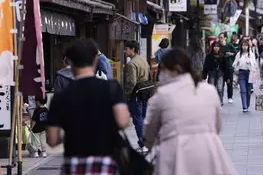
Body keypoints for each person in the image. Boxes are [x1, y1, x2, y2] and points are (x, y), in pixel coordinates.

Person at [144, 48, 238, 175]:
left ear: (173, 69)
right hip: (209, 149)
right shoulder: (209, 90)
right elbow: (217, 125)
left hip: (174, 151)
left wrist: (151, 146)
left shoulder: (161, 95)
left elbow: (150, 130)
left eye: (163, 70)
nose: (161, 74)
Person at [46, 39, 130, 174]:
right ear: (95, 59)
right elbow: (123, 121)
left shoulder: (60, 97)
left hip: (73, 164)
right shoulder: (111, 88)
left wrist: (72, 133)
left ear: (69, 61)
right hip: (105, 162)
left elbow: (52, 139)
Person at [123, 40, 152, 151]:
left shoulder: (131, 64)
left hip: (136, 94)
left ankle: (143, 143)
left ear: (132, 49)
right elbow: (149, 76)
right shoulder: (143, 60)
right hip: (145, 92)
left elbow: (131, 82)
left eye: (126, 49)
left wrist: (127, 94)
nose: (125, 51)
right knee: (143, 118)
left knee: (137, 119)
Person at [232, 39, 258, 112]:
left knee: (248, 91)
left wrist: (249, 62)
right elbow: (234, 63)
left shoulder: (251, 54)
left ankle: (247, 103)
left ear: (248, 46)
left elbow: (254, 64)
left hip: (249, 73)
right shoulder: (239, 54)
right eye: (243, 45)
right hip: (241, 73)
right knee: (243, 90)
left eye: (246, 45)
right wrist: (235, 65)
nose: (244, 47)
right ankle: (244, 106)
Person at [220, 33, 236, 104]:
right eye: (219, 37)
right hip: (221, 68)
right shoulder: (218, 46)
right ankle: (221, 98)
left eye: (222, 37)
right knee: (221, 84)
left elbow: (236, 53)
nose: (220, 39)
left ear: (225, 38)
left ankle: (230, 97)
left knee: (229, 83)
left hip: (229, 67)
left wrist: (230, 54)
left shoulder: (229, 45)